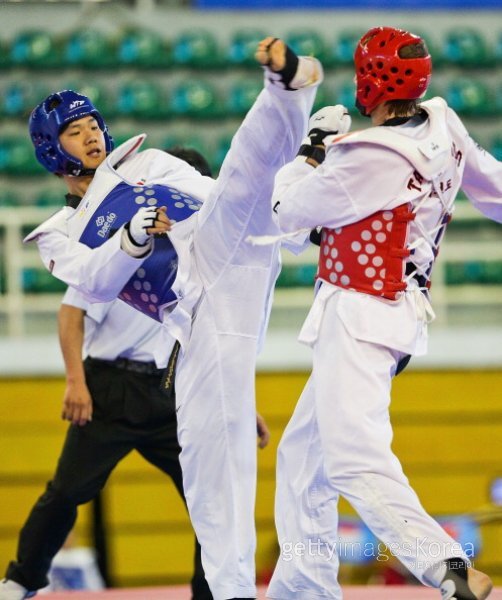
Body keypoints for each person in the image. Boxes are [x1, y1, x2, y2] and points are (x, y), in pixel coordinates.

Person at [17, 38, 325, 600]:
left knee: (239, 184)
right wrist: (133, 236)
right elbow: (93, 280)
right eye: (73, 131)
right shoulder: (57, 233)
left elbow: (219, 199)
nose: (89, 135)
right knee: (214, 463)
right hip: (195, 320)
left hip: (223, 257)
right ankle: (231, 592)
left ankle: (286, 87)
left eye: (92, 123)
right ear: (50, 149)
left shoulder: (149, 162)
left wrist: (298, 218)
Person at [265, 26, 500, 600]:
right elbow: (494, 189)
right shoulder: (443, 126)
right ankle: (303, 586)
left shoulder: (369, 154)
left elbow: (286, 210)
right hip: (394, 312)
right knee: (302, 460)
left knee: (353, 460)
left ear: (370, 81)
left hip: (359, 314)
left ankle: (445, 565)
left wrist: (311, 148)